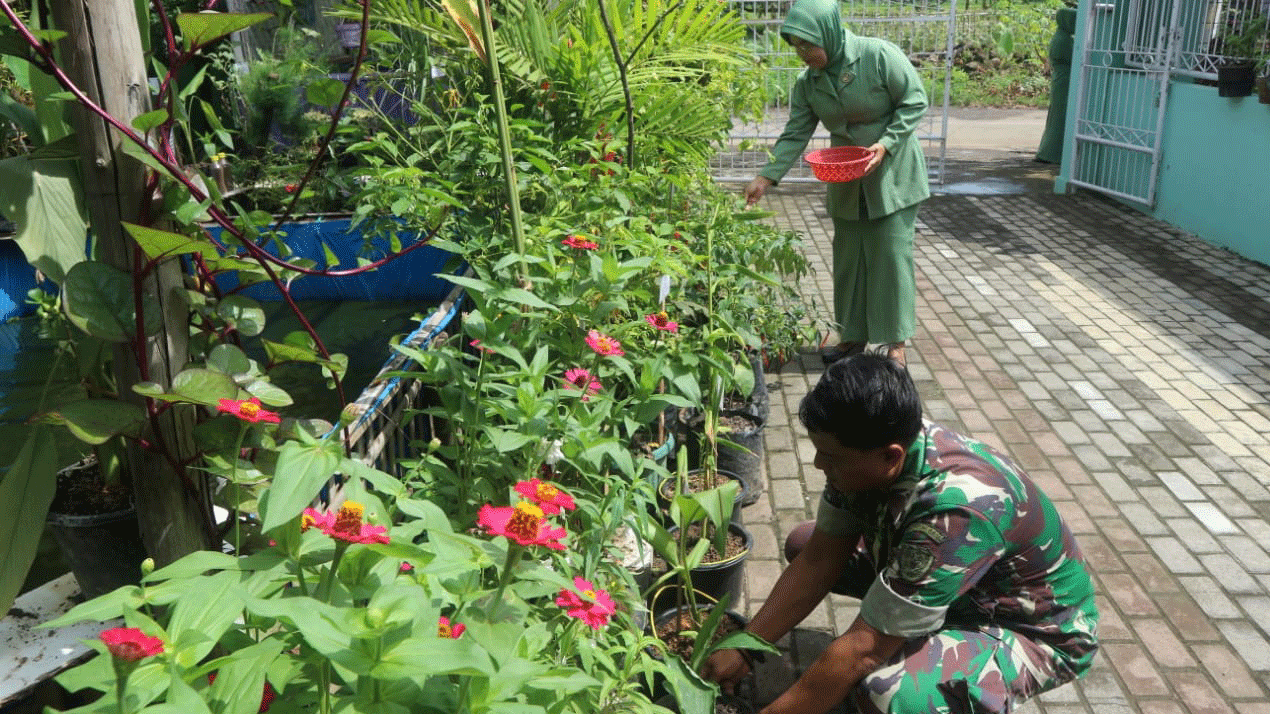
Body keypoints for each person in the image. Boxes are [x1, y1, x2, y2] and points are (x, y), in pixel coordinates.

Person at [702, 354, 1099, 714]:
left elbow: (864, 650)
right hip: (963, 586)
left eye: (832, 457)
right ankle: (924, 622)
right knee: (803, 543)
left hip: (1032, 628)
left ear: (891, 457)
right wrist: (745, 645)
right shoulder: (868, 444)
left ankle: (967, 688)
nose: (819, 464)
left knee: (891, 691)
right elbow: (819, 559)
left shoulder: (953, 512)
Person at [744, 0, 930, 367]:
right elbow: (796, 131)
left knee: (890, 257)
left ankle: (895, 343)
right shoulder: (809, 82)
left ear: (826, 33)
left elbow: (915, 100)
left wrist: (887, 143)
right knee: (848, 260)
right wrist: (766, 177)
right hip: (846, 178)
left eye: (806, 45)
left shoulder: (877, 55)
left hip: (892, 175)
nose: (802, 54)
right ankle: (852, 338)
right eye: (795, 46)